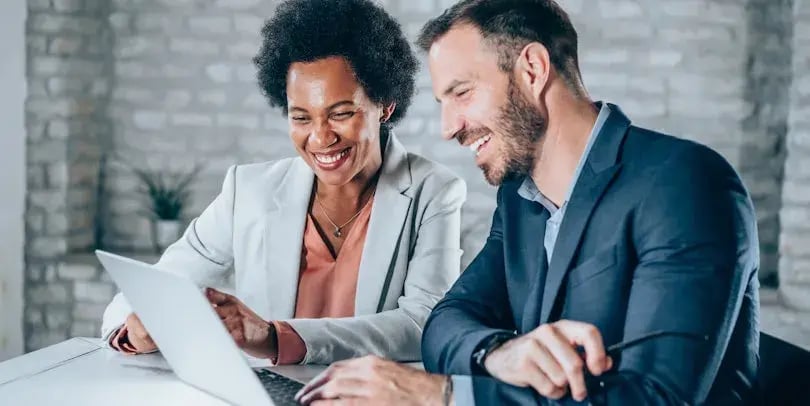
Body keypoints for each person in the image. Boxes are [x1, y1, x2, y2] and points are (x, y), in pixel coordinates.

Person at [294, 0, 760, 404]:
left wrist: (440, 395)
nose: (448, 127)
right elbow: (446, 322)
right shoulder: (520, 198)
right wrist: (497, 352)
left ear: (532, 69)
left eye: (461, 93)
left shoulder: (684, 184)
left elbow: (653, 398)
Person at [100, 0, 466, 366]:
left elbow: (424, 324)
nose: (321, 138)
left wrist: (276, 339)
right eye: (301, 117)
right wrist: (137, 331)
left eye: (340, 114)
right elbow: (144, 294)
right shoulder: (248, 190)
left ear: (384, 105)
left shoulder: (433, 192)